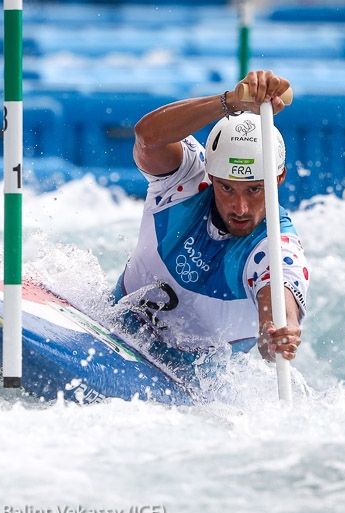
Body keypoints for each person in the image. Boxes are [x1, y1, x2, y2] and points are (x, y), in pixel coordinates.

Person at [113, 70, 309, 365]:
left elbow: (276, 323)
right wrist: (231, 101)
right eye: (227, 187)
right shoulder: (188, 180)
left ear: (278, 178)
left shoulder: (277, 249)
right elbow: (147, 137)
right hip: (112, 325)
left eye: (255, 189)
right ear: (211, 173)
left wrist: (278, 337)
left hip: (191, 382)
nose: (240, 207)